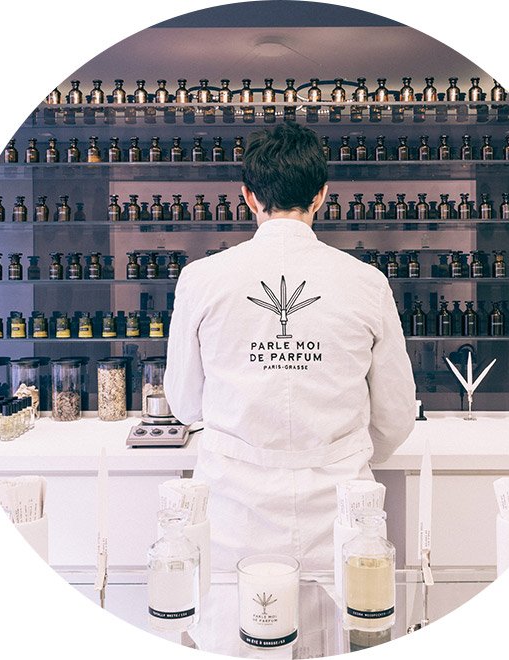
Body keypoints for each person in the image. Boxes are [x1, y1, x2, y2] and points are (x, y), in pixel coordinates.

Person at [164, 122, 415, 572]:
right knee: (345, 615)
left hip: (235, 509)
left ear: (248, 196)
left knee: (241, 614)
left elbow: (184, 403)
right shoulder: (366, 282)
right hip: (339, 509)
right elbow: (395, 414)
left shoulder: (200, 279)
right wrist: (339, 454)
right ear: (321, 196)